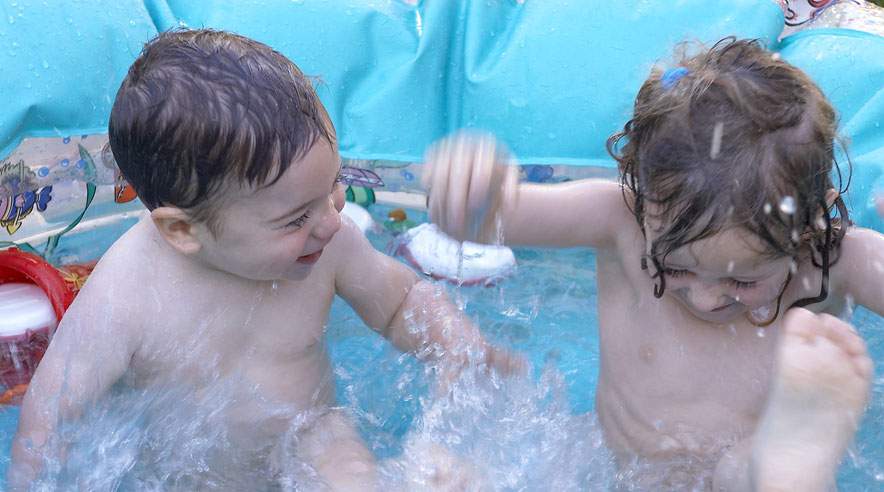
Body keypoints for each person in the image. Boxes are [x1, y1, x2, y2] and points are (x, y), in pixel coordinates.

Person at [9, 29, 516, 490]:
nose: (331, 220)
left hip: (312, 434)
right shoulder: (125, 296)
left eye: (333, 185)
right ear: (183, 230)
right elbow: (50, 419)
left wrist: (461, 349)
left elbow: (399, 302)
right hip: (192, 475)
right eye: (296, 217)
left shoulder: (327, 243)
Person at [423, 38, 877, 491]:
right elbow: (490, 222)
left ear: (812, 218)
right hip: (614, 478)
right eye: (676, 268)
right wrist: (468, 197)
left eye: (742, 278)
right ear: (641, 196)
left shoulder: (835, 261)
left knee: (742, 473)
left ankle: (792, 456)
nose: (706, 297)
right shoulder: (617, 220)